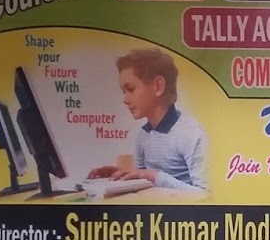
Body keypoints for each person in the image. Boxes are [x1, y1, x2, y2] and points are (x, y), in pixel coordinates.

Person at [87, 48, 210, 195]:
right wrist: (121, 175)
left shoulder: (191, 133)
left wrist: (155, 177)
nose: (125, 99)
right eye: (124, 92)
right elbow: (142, 182)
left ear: (158, 86)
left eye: (131, 89)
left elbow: (205, 194)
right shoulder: (143, 135)